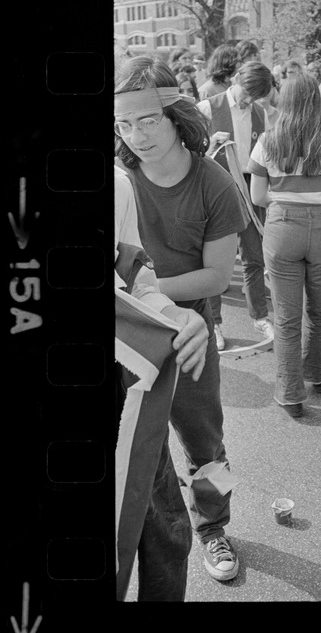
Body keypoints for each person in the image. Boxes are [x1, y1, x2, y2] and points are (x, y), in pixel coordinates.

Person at [114, 55, 249, 583]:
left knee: (204, 442)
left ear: (176, 118)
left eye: (148, 121)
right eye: (124, 124)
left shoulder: (214, 182)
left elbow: (216, 277)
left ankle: (214, 526)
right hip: (126, 335)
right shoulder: (119, 180)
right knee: (136, 447)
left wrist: (142, 294)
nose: (137, 136)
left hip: (190, 337)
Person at [115, 165, 209, 602]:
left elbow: (136, 281)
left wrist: (177, 317)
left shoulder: (116, 185)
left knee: (167, 533)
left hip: (122, 393)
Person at [249, 72, 321, 417]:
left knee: (285, 316)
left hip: (282, 228)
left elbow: (257, 196)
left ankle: (290, 394)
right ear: (317, 100)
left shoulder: (268, 141)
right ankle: (316, 374)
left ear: (285, 101)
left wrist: (286, 205)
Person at [197, 61, 276, 350]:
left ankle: (260, 315)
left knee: (254, 256)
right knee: (214, 261)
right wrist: (208, 147)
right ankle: (214, 323)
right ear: (236, 79)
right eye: (247, 92)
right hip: (216, 187)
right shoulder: (206, 108)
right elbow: (188, 155)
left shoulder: (259, 113)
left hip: (249, 186)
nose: (248, 100)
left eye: (255, 96)